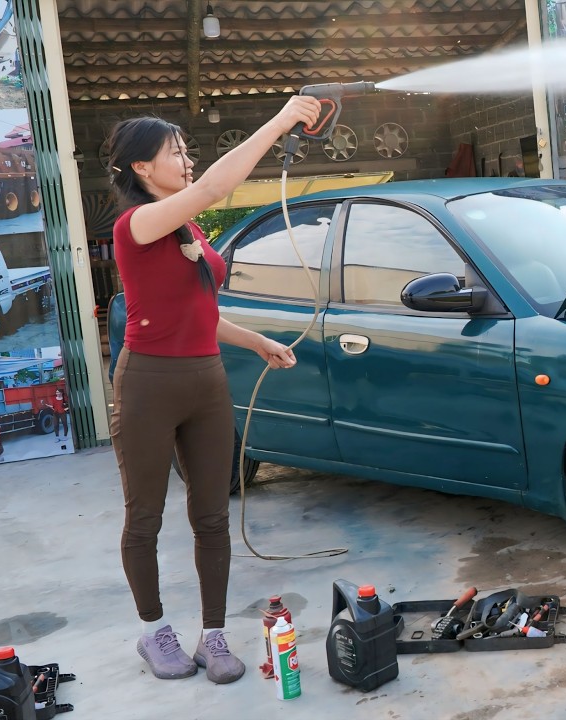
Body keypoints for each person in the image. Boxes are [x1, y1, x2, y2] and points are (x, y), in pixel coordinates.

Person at [106, 94, 319, 684]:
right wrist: (281, 120)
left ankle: (214, 634)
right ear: (142, 167)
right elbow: (214, 188)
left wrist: (256, 341)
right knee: (144, 517)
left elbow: (198, 312)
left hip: (205, 381)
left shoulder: (187, 227)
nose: (187, 160)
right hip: (148, 384)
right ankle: (154, 631)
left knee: (213, 515)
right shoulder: (137, 224)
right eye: (175, 152)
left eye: (187, 151)